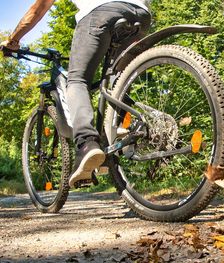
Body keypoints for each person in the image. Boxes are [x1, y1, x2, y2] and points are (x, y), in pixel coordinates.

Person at [1, 0, 152, 187]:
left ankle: (87, 144)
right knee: (117, 80)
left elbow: (37, 10)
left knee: (77, 80)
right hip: (141, 14)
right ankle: (120, 129)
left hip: (101, 13)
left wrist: (13, 40)